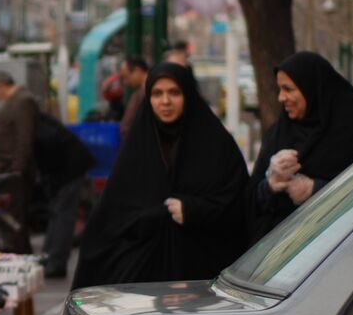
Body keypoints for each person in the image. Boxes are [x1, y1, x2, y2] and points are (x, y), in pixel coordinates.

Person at [72, 63, 248, 290]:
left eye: (174, 93)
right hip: (144, 283)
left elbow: (238, 205)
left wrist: (194, 210)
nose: (165, 101)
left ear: (188, 95)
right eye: (157, 93)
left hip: (204, 280)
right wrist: (153, 218)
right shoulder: (138, 148)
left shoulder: (216, 146)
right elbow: (111, 219)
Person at [248, 51, 353, 240]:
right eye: (280, 89)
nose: (281, 98)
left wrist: (317, 190)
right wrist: (270, 184)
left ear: (311, 88)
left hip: (338, 249)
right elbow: (251, 201)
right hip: (277, 253)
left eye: (288, 89)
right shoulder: (278, 134)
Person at [34, 112, 96, 280]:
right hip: (67, 169)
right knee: (59, 213)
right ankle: (50, 259)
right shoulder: (37, 120)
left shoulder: (36, 125)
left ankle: (55, 262)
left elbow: (54, 152)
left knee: (63, 214)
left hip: (68, 170)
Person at [0, 71, 37, 251]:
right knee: (11, 219)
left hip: (12, 172)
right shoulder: (15, 102)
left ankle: (20, 255)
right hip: (5, 171)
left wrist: (17, 170)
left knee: (15, 219)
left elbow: (24, 138)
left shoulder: (23, 101)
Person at [118, 56, 150, 139]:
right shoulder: (139, 91)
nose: (125, 82)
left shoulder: (145, 92)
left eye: (126, 77)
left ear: (137, 70)